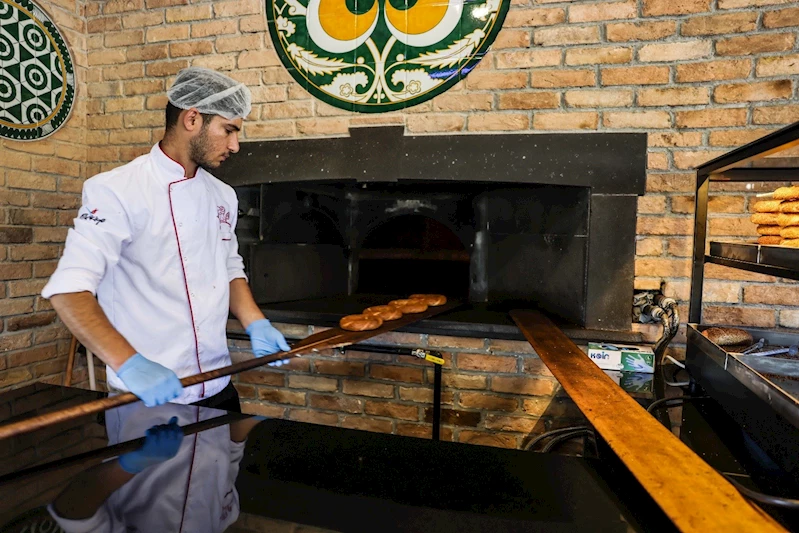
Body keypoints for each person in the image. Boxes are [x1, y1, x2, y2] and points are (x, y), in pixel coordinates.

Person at [42, 67, 290, 410]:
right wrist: (128, 363)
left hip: (218, 388)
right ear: (192, 119)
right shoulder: (116, 190)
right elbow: (69, 289)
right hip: (148, 396)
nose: (235, 145)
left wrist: (256, 322)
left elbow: (229, 266)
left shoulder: (223, 196)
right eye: (229, 130)